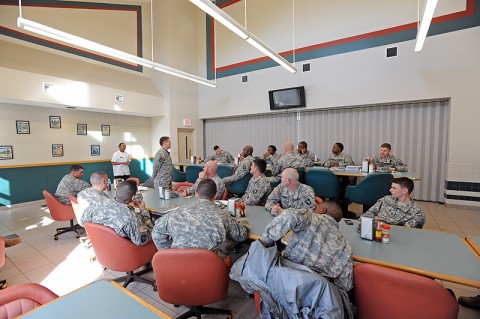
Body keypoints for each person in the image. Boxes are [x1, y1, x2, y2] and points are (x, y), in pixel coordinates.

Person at [261, 201, 353, 292]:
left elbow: (289, 215)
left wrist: (265, 243)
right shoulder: (345, 246)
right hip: (314, 295)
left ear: (322, 210)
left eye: (316, 208)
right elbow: (346, 285)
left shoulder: (310, 217)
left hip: (284, 284)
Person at [152, 178, 250, 259]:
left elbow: (156, 231)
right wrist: (243, 224)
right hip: (208, 267)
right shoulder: (223, 215)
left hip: (178, 263)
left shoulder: (178, 212)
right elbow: (241, 236)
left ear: (196, 194)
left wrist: (167, 253)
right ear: (215, 196)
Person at [81, 180, 152, 245]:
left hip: (101, 246)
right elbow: (140, 241)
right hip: (125, 251)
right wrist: (143, 210)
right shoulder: (130, 218)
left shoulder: (96, 204)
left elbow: (83, 221)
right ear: (133, 197)